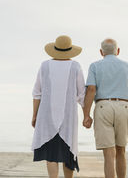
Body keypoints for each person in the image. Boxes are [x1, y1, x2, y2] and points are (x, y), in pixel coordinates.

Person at [82, 38, 128, 178]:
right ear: (118, 51)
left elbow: (91, 89)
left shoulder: (95, 66)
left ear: (101, 52)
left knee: (109, 154)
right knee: (121, 151)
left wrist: (86, 115)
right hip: (124, 106)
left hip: (103, 107)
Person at [31, 35, 86, 178]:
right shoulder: (75, 66)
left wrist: (35, 115)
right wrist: (87, 115)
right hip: (68, 117)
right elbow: (82, 95)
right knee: (68, 152)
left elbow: (37, 93)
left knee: (51, 153)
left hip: (47, 116)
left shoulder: (45, 65)